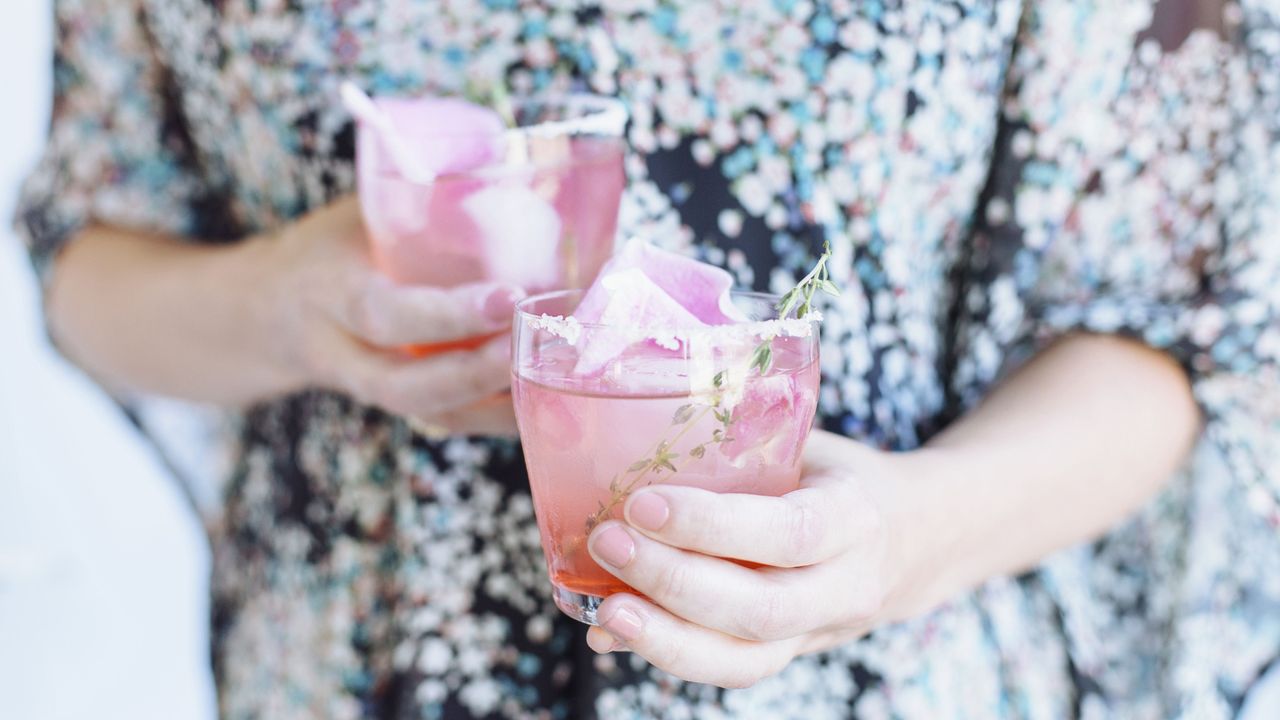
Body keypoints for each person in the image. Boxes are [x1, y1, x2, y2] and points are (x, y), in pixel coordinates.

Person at [17, 0, 1279, 717]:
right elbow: (86, 253)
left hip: (891, 679)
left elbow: (1178, 320)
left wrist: (899, 538)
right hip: (347, 677)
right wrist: (282, 302)